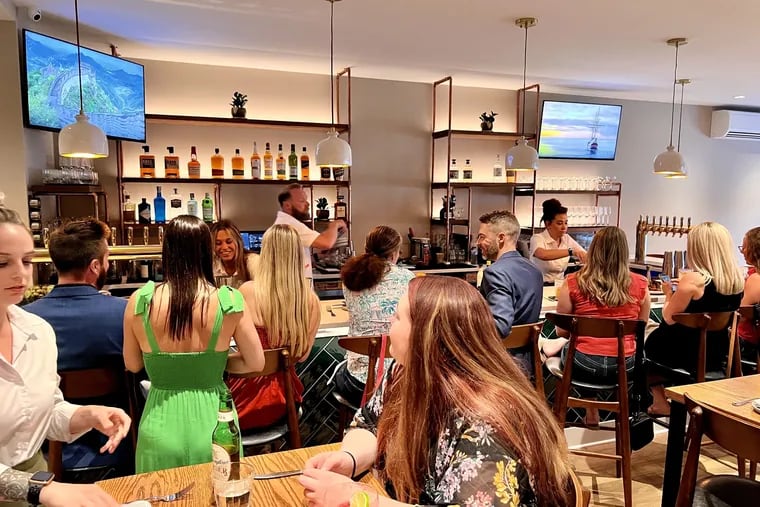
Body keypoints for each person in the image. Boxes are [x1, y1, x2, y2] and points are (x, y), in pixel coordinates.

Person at [300, 276, 572, 507]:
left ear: (426, 336)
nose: (388, 326)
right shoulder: (404, 372)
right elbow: (371, 424)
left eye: (396, 317)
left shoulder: (485, 424)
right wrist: (349, 459)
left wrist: (359, 499)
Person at [0, 206, 129, 507]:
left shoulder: (37, 330)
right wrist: (43, 489)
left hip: (36, 483)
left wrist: (87, 414)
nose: (20, 273)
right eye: (2, 263)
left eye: (27, 261)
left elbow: (43, 412)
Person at [123, 215, 265, 473]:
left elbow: (132, 364)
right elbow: (256, 362)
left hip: (159, 424)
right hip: (215, 424)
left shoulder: (139, 300)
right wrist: (214, 361)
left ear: (167, 251)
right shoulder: (228, 300)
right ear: (206, 251)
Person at [25, 218, 131, 475]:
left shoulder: (25, 320)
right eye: (106, 259)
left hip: (42, 453)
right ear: (95, 266)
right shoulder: (124, 313)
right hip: (119, 445)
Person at [547, 227, 650, 426]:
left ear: (593, 249)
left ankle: (589, 410)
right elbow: (641, 328)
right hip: (625, 365)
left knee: (575, 350)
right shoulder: (641, 284)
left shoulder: (573, 282)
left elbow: (561, 330)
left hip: (584, 364)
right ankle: (609, 413)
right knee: (599, 351)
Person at [227, 224, 320, 430]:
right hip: (286, 402)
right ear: (298, 256)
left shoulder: (246, 292)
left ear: (266, 253)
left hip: (243, 403)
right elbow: (302, 356)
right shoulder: (311, 301)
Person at [645, 222, 744, 415]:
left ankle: (659, 399)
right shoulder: (737, 279)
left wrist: (668, 295)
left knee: (647, 337)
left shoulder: (694, 280)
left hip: (680, 355)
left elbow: (668, 318)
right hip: (716, 354)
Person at [333, 226, 414, 407]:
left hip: (358, 385)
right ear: (394, 253)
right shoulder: (408, 279)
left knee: (339, 373)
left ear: (366, 248)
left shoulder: (350, 277)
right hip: (399, 384)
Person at [476, 210, 543, 375]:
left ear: (500, 238)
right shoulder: (534, 269)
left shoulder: (495, 272)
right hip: (528, 363)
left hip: (501, 364)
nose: (477, 242)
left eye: (482, 237)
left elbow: (500, 326)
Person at [274, 183, 346, 279]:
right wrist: (334, 224)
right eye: (302, 201)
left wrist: (317, 257)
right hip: (295, 287)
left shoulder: (286, 222)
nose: (307, 204)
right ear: (287, 205)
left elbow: (297, 257)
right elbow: (326, 243)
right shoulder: (290, 225)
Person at [530, 198, 587, 283]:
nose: (564, 227)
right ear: (548, 224)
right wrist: (571, 251)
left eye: (566, 223)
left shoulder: (567, 238)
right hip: (538, 285)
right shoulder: (537, 238)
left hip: (559, 285)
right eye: (559, 223)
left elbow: (585, 255)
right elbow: (542, 254)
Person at [209, 219, 259, 288]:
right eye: (218, 243)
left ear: (238, 242)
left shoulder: (254, 261)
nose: (224, 247)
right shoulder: (212, 265)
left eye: (229, 242)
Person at [737, 226, 760, 367]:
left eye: (744, 247)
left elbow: (740, 315)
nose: (742, 252)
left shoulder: (756, 278)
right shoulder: (752, 273)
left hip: (746, 345)